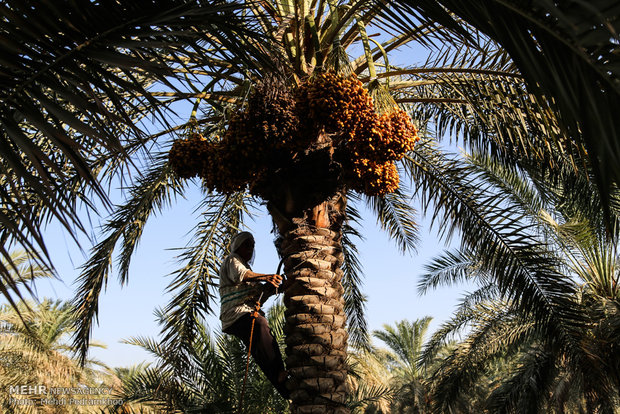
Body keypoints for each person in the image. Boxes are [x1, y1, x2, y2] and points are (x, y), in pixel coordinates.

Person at [219, 231, 289, 398]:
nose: (250, 249)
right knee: (260, 323)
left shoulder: (248, 269)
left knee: (260, 350)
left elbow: (259, 293)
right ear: (238, 247)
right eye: (247, 245)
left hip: (243, 314)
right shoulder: (232, 260)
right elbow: (242, 276)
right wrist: (267, 277)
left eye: (252, 245)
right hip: (234, 314)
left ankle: (284, 387)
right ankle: (280, 371)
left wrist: (277, 286)